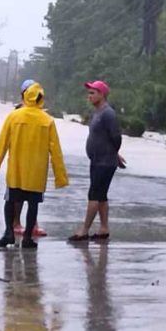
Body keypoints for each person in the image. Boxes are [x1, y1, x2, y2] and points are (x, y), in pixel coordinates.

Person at [0, 82, 68, 249]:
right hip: (36, 172)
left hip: (16, 169)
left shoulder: (14, 116)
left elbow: (2, 143)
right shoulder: (47, 120)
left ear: (25, 96)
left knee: (10, 201)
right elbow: (56, 151)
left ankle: (9, 232)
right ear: (41, 98)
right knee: (33, 205)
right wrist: (60, 177)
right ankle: (27, 238)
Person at [69, 80, 121, 241]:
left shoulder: (108, 114)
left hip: (104, 162)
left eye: (93, 93)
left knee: (94, 195)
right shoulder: (97, 112)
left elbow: (116, 137)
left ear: (102, 94)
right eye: (89, 93)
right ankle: (103, 228)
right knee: (101, 196)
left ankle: (84, 230)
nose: (89, 96)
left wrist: (114, 153)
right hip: (98, 160)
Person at [10, 79, 48, 237]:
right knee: (17, 196)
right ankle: (16, 223)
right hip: (19, 160)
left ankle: (33, 225)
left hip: (36, 161)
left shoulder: (43, 116)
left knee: (34, 197)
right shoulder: (15, 115)